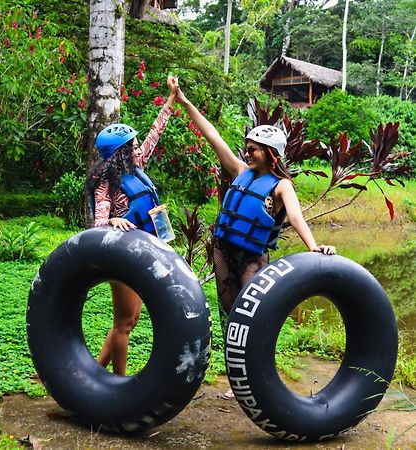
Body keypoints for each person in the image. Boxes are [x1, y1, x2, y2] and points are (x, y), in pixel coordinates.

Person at [173, 81, 335, 398]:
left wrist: (313, 246)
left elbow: (297, 217)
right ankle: (237, 383)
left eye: (254, 149)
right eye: (247, 148)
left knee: (250, 316)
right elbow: (212, 136)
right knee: (229, 316)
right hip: (224, 250)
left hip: (252, 256)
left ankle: (258, 377)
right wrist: (183, 101)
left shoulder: (281, 186)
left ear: (271, 154)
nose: (247, 153)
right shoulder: (238, 170)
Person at [87, 76, 177, 375]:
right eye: (134, 147)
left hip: (143, 251)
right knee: (124, 323)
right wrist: (112, 218)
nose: (140, 150)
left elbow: (156, 133)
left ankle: (96, 373)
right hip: (122, 255)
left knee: (130, 320)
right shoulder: (106, 183)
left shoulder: (136, 167)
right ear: (121, 153)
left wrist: (172, 99)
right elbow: (99, 221)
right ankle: (119, 383)